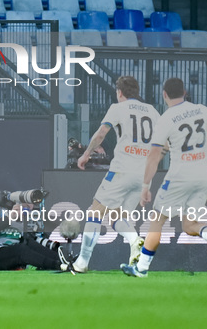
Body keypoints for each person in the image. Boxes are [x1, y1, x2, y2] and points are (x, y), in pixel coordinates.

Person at [121, 78, 207, 277]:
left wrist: (145, 186)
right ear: (184, 92)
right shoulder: (200, 110)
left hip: (178, 178)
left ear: (164, 94)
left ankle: (141, 268)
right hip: (202, 179)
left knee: (157, 221)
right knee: (189, 225)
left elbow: (154, 156)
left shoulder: (166, 119)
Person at [72, 76, 161, 273]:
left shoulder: (118, 108)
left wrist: (86, 154)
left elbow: (101, 133)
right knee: (119, 216)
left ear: (120, 92)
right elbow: (165, 145)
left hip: (122, 170)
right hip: (144, 175)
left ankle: (82, 263)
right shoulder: (153, 112)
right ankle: (135, 241)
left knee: (95, 212)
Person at [0, 200, 74, 271]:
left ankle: (66, 262)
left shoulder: (23, 215)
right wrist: (9, 218)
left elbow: (30, 242)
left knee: (29, 243)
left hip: (5, 252)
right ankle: (58, 266)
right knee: (20, 250)